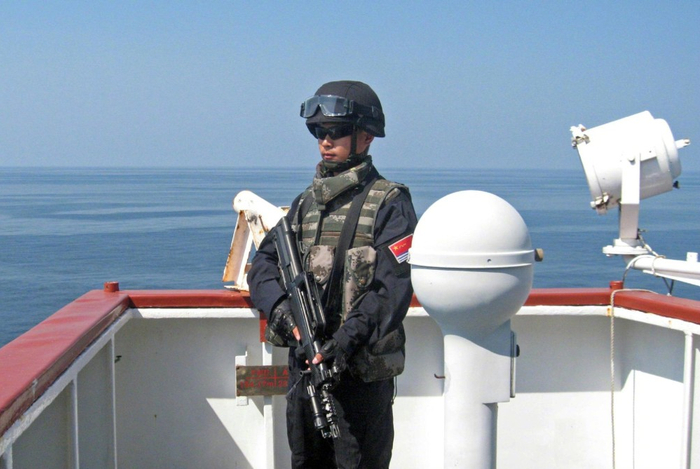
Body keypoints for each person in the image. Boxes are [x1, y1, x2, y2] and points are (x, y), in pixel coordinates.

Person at [247, 80, 417, 469]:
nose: (326, 140)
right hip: (305, 369)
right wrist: (285, 315)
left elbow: (391, 289)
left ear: (367, 136)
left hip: (359, 377)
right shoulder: (305, 204)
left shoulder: (390, 204)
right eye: (319, 131)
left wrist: (342, 343)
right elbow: (263, 266)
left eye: (337, 131)